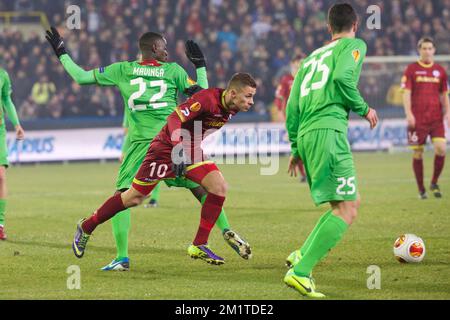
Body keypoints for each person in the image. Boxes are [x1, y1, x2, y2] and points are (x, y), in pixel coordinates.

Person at [46, 27, 251, 271]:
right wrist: (200, 66)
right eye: (164, 46)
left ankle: (122, 257)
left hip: (152, 142)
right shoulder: (173, 70)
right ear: (154, 48)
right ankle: (225, 230)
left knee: (125, 195)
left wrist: (61, 52)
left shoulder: (121, 69)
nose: (167, 51)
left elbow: (80, 77)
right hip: (171, 140)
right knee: (197, 188)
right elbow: (204, 98)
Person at [71, 73, 257, 266]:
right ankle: (86, 226)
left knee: (218, 187)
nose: (251, 102)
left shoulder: (230, 106)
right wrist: (176, 146)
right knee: (133, 197)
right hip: (166, 148)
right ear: (233, 93)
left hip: (190, 149)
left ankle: (199, 244)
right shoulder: (207, 99)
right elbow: (174, 118)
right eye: (248, 96)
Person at [284, 3, 378, 297]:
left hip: (309, 134)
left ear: (328, 27)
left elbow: (292, 105)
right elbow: (341, 78)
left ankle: (301, 254)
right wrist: (364, 108)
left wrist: (296, 146)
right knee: (347, 209)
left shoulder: (311, 57)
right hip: (329, 131)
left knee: (346, 203)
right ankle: (300, 273)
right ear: (356, 24)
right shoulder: (354, 45)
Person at [401, 37, 449, 199]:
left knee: (441, 149)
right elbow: (406, 93)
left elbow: (444, 95)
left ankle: (434, 182)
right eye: (424, 48)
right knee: (418, 154)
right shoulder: (411, 69)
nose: (427, 51)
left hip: (436, 118)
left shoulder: (440, 71)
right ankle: (421, 190)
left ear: (434, 50)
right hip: (418, 119)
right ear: (419, 50)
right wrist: (408, 113)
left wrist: (448, 113)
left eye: (430, 48)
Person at [0, 67, 26, 240]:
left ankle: (0, 224)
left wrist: (16, 124)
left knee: (1, 176)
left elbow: (6, 99)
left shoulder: (2, 74)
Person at [274, 54, 307, 183]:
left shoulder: (307, 78)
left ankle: (309, 172)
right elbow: (279, 97)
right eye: (299, 62)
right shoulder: (286, 79)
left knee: (307, 146)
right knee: (297, 146)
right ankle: (304, 174)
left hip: (306, 116)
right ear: (293, 63)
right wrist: (279, 112)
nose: (300, 65)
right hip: (292, 119)